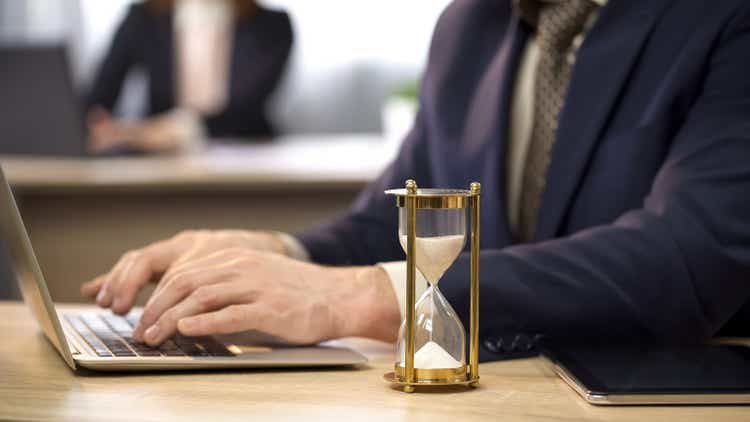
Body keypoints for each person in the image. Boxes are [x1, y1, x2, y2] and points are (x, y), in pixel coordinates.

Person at [82, 0, 750, 360]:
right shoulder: (471, 26)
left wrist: (363, 296)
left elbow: (687, 255)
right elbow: (395, 219)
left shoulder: (724, 18)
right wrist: (277, 253)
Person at [86, 0, 293, 153]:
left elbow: (244, 104)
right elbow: (97, 103)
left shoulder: (272, 26)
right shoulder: (143, 18)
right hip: (157, 163)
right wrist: (105, 128)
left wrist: (159, 131)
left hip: (246, 156)